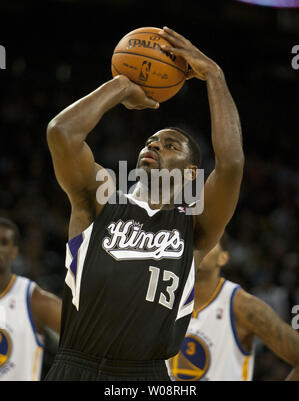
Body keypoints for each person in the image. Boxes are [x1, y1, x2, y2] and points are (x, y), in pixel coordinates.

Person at [45, 26, 244, 381]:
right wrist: (120, 85)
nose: (154, 146)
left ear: (190, 174)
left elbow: (230, 165)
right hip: (74, 365)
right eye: (151, 141)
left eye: (170, 145)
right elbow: (62, 132)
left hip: (145, 376)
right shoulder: (100, 200)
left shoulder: (194, 225)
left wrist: (214, 75)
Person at [168, 235, 299, 381]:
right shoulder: (161, 297)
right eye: (192, 243)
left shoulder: (242, 305)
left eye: (207, 243)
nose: (196, 249)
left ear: (223, 258)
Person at [0, 218, 62, 381]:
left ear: (14, 251)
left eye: (4, 243)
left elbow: (84, 334)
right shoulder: (25, 268)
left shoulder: (32, 296)